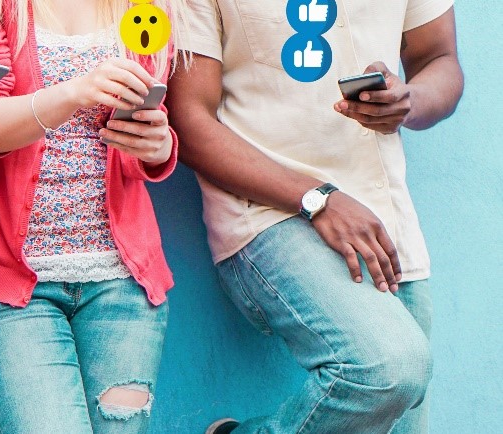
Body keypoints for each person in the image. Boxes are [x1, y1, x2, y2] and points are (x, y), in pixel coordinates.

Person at [170, 1, 462, 432]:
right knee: (389, 369)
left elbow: (439, 58)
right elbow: (189, 122)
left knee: (401, 388)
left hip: (384, 218)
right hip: (268, 211)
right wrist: (317, 197)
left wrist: (409, 101)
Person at [0, 0, 182, 432]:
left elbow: (139, 139)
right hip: (11, 289)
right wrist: (73, 92)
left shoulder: (143, 9)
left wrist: (157, 145)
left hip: (123, 285)